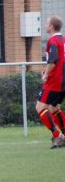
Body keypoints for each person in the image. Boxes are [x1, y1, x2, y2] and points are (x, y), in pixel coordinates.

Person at [36, 15, 65, 149]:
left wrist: (46, 74)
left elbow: (52, 60)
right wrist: (47, 68)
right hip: (63, 81)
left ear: (52, 26)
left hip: (55, 81)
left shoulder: (53, 40)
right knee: (54, 109)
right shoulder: (63, 40)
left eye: (47, 23)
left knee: (40, 108)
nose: (45, 25)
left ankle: (57, 135)